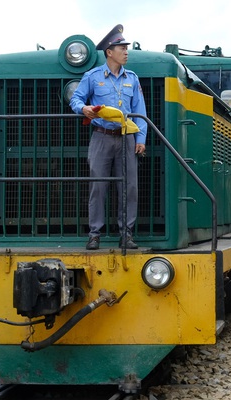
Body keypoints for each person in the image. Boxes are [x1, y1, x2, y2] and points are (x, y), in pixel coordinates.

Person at [70, 25, 148, 250]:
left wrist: (140, 139)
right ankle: (95, 234)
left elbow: (139, 111)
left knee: (129, 187)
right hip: (101, 137)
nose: (126, 52)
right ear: (109, 52)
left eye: (126, 48)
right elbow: (75, 99)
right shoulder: (92, 77)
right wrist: (83, 108)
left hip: (126, 138)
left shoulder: (132, 79)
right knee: (98, 186)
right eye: (121, 48)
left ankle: (126, 234)